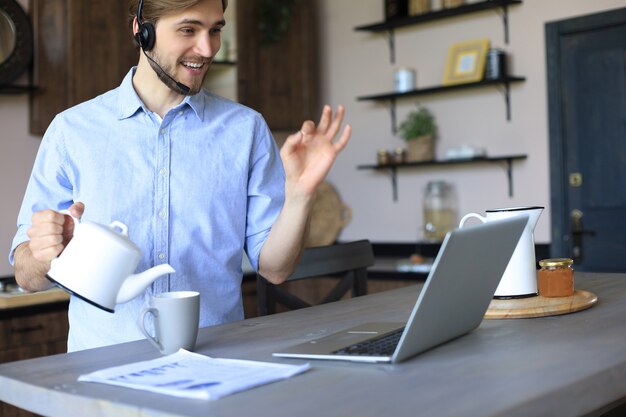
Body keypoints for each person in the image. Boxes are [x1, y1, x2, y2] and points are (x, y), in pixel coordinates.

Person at [9, 0, 351, 352]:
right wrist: (43, 253)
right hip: (102, 367)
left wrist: (299, 194)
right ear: (142, 30)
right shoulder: (72, 131)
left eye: (215, 30)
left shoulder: (246, 130)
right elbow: (26, 275)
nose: (206, 49)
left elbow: (276, 270)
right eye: (188, 30)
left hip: (216, 364)